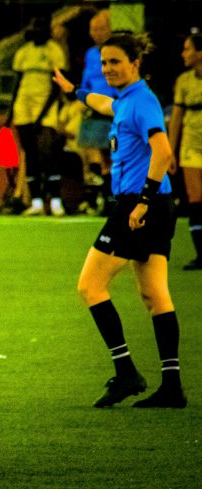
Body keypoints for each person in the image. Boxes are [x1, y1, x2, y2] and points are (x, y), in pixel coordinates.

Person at [53, 32, 187, 408]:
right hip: (157, 206)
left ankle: (125, 371)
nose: (108, 68)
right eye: (104, 63)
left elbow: (163, 153)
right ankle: (172, 385)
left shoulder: (142, 103)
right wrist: (75, 91)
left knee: (90, 286)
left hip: (138, 206)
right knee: (155, 294)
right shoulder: (127, 100)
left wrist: (142, 202)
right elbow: (104, 103)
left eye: (115, 61)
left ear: (135, 63)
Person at [9, 17, 68, 217]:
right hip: (23, 105)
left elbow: (57, 86)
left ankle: (56, 201)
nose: (36, 30)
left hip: (45, 105)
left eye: (40, 27)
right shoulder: (23, 52)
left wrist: (41, 115)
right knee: (30, 154)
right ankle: (36, 202)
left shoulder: (54, 51)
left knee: (48, 153)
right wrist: (11, 112)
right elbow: (17, 83)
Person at [78, 9, 118, 215]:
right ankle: (97, 197)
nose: (95, 33)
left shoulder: (118, 52)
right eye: (92, 29)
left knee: (113, 154)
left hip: (113, 107)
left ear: (109, 29)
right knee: (92, 149)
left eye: (100, 29)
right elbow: (86, 80)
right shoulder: (91, 54)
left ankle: (111, 198)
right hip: (93, 107)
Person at [168, 34, 202, 270]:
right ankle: (201, 254)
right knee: (195, 198)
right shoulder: (183, 80)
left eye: (188, 49)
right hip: (191, 146)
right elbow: (177, 117)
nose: (183, 54)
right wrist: (170, 150)